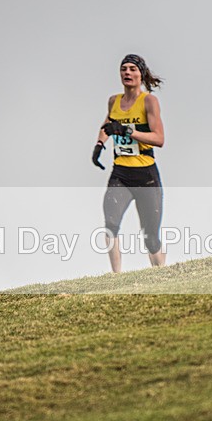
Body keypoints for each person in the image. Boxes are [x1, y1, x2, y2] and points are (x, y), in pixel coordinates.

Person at [92, 54, 166, 273]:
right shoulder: (114, 101)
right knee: (110, 223)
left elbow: (159, 139)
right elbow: (107, 124)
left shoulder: (149, 101)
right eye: (123, 68)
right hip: (121, 174)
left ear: (141, 74)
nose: (127, 72)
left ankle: (161, 275)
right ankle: (116, 277)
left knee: (150, 236)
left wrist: (128, 131)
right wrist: (99, 144)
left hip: (146, 175)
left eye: (133, 69)